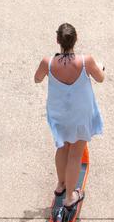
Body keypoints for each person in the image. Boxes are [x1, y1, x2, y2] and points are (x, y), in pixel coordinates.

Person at [34, 23, 104, 209]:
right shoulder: (86, 61)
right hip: (80, 115)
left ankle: (61, 184)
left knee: (62, 148)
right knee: (75, 154)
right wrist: (99, 66)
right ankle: (70, 197)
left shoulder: (47, 62)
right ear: (76, 39)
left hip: (59, 114)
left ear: (58, 40)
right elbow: (100, 78)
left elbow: (37, 78)